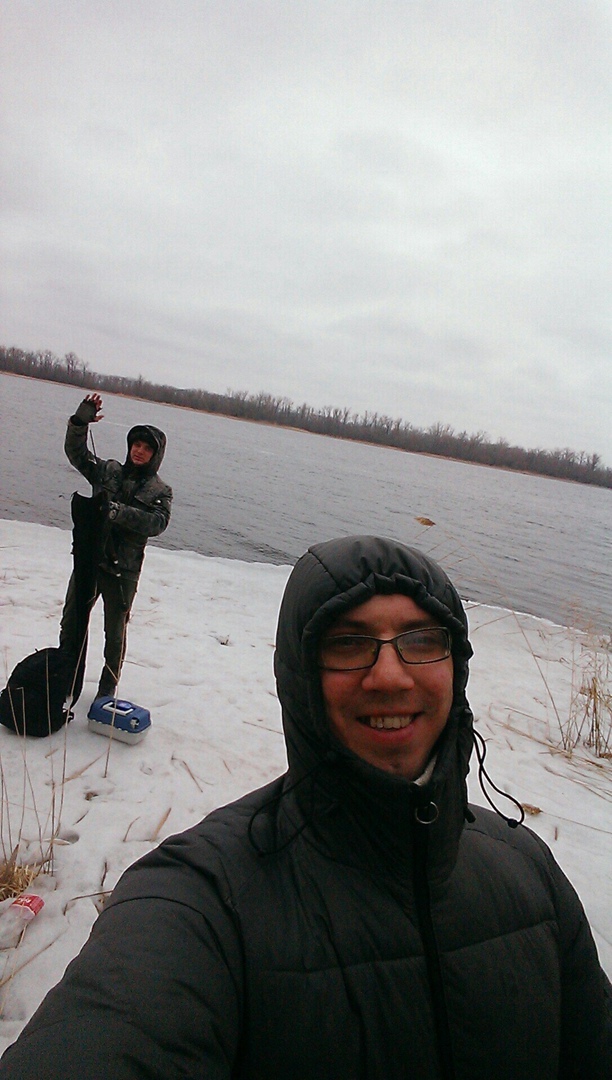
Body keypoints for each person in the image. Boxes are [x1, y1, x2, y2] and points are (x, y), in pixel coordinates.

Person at [1, 535, 609, 1079]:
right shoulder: (204, 898)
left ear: (457, 667)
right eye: (349, 643)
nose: (391, 677)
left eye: (422, 639)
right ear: (300, 677)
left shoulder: (530, 875)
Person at [59, 393, 172, 701]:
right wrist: (80, 422)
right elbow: (77, 454)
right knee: (72, 623)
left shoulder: (160, 490)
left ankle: (106, 692)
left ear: (155, 455)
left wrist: (117, 512)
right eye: (136, 445)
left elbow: (158, 523)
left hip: (123, 573)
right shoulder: (108, 470)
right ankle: (65, 681)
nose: (139, 451)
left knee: (115, 635)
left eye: (147, 448)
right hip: (90, 562)